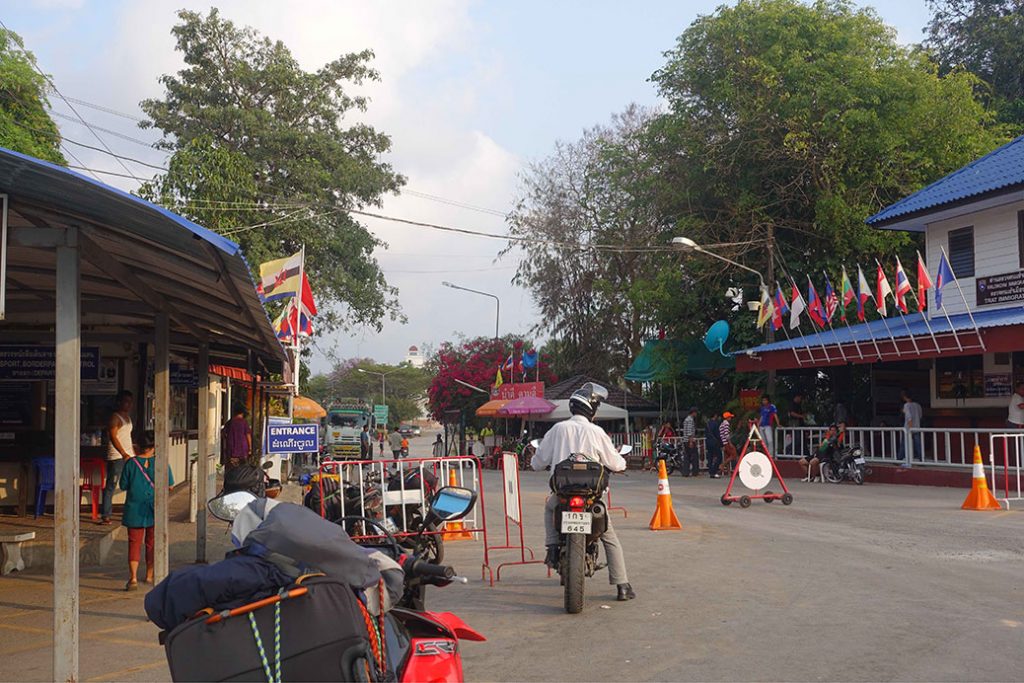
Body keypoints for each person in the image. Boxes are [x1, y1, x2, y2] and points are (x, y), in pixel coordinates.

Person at [531, 382, 635, 602]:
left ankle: (551, 548)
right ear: (592, 410)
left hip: (562, 495)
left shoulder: (557, 429)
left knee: (549, 508)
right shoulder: (596, 431)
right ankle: (622, 585)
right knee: (609, 535)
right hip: (592, 497)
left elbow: (537, 463)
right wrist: (620, 462)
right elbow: (616, 464)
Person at [119, 436, 173, 590]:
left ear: (137, 446)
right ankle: (149, 575)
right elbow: (170, 486)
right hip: (155, 509)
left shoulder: (131, 464)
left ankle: (133, 578)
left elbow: (123, 485)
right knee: (152, 543)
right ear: (154, 446)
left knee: (134, 543)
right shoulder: (161, 462)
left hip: (134, 509)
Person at [102, 391, 135, 525]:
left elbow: (126, 437)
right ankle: (106, 514)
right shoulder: (115, 418)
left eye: (130, 402)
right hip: (117, 456)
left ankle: (130, 511)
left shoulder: (127, 417)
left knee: (132, 484)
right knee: (111, 485)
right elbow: (113, 436)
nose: (128, 405)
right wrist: (122, 453)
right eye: (126, 401)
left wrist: (132, 451)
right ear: (119, 402)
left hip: (130, 455)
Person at [899, 390, 923, 465]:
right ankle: (921, 459)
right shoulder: (918, 405)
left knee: (904, 444)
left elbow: (909, 417)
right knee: (918, 444)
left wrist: (910, 428)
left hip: (908, 428)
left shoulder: (906, 405)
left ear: (904, 397)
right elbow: (920, 416)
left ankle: (899, 459)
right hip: (917, 427)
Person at [681, 407, 700, 477]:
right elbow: (689, 432)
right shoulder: (690, 420)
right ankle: (695, 472)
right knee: (694, 456)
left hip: (686, 440)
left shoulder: (686, 419)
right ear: (693, 412)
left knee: (687, 457)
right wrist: (691, 441)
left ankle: (685, 472)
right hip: (689, 440)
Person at [705, 413, 723, 478]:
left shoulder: (707, 424)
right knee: (719, 457)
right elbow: (717, 435)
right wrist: (721, 443)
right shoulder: (716, 424)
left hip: (708, 442)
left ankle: (711, 472)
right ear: (715, 416)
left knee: (710, 457)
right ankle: (714, 470)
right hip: (715, 442)